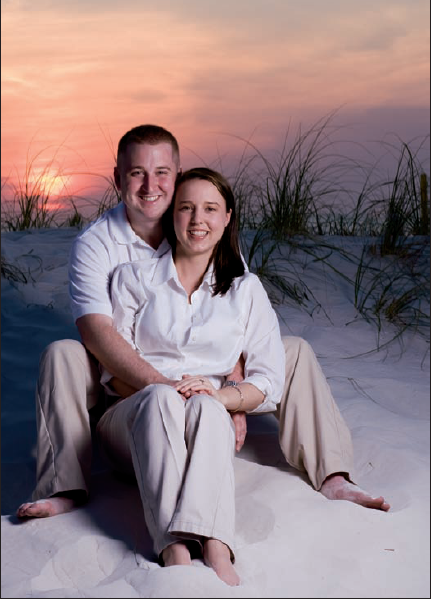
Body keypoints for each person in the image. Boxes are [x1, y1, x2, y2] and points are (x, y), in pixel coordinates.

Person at [17, 123, 389, 522]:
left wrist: (233, 397)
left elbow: (237, 312)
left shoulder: (198, 225)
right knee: (63, 354)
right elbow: (96, 331)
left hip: (206, 387)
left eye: (161, 173)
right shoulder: (97, 243)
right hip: (132, 390)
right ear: (118, 179)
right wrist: (170, 391)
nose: (150, 185)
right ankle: (64, 485)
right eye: (136, 173)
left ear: (178, 177)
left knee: (293, 350)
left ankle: (332, 473)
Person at [94, 167, 285, 585]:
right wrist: (167, 387)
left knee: (206, 402)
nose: (198, 220)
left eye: (210, 209)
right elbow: (112, 373)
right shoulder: (133, 279)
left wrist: (222, 398)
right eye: (186, 208)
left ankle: (215, 543)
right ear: (171, 216)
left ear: (228, 217)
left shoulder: (245, 290)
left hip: (204, 430)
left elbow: (270, 379)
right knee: (164, 398)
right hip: (131, 424)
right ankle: (174, 546)